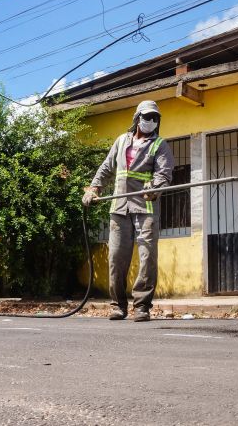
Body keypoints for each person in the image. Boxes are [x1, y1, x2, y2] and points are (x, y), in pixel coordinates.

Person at [82, 100, 174, 322]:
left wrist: (155, 188)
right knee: (116, 258)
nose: (150, 121)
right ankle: (118, 305)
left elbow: (164, 174)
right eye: (147, 117)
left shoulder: (160, 145)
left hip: (146, 207)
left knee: (147, 257)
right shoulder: (122, 141)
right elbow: (106, 168)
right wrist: (94, 188)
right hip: (120, 208)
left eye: (155, 118)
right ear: (137, 118)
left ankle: (142, 306)